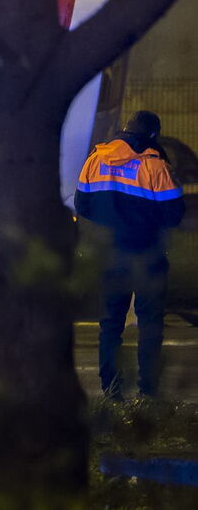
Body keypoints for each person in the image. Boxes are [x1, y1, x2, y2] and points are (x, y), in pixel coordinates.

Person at [75, 110, 184, 400]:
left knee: (110, 324)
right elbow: (174, 215)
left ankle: (111, 391)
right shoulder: (154, 166)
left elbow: (82, 206)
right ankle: (147, 392)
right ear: (151, 135)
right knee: (149, 323)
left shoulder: (95, 159)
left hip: (109, 255)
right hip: (148, 256)